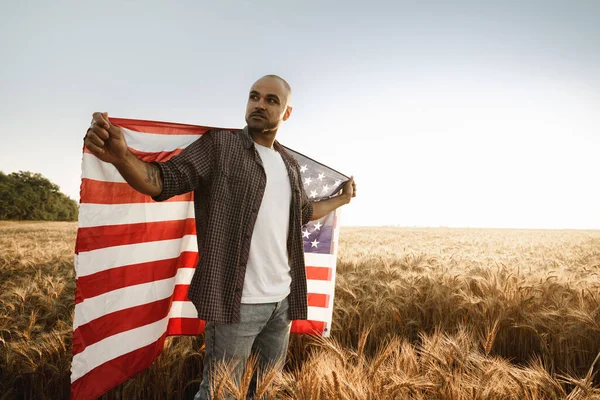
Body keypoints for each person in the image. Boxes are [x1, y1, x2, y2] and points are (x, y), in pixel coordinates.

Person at [84, 74, 357, 399]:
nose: (259, 104)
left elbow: (302, 213)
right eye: (254, 96)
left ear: (286, 113)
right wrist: (121, 158)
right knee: (220, 393)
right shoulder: (220, 147)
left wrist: (341, 199)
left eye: (271, 100)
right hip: (235, 306)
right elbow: (162, 180)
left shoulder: (288, 165)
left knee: (266, 391)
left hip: (281, 303)